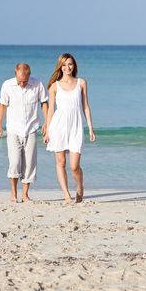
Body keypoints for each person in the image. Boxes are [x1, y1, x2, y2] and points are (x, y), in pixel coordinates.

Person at [45, 53, 95, 203]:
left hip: (76, 126)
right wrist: (47, 130)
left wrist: (91, 128)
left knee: (74, 166)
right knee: (60, 162)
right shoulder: (54, 86)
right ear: (60, 66)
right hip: (58, 126)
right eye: (64, 65)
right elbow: (51, 109)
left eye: (70, 64)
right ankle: (66, 195)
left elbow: (85, 106)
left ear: (74, 66)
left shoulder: (81, 83)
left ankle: (80, 188)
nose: (67, 67)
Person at [0, 63, 48, 203]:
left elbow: (44, 103)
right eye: (20, 81)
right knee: (14, 162)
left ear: (29, 75)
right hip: (13, 129)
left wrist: (47, 122)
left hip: (31, 128)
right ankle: (13, 194)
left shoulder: (37, 84)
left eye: (25, 81)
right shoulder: (7, 85)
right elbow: (2, 105)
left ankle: (25, 195)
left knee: (30, 163)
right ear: (15, 73)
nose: (22, 83)